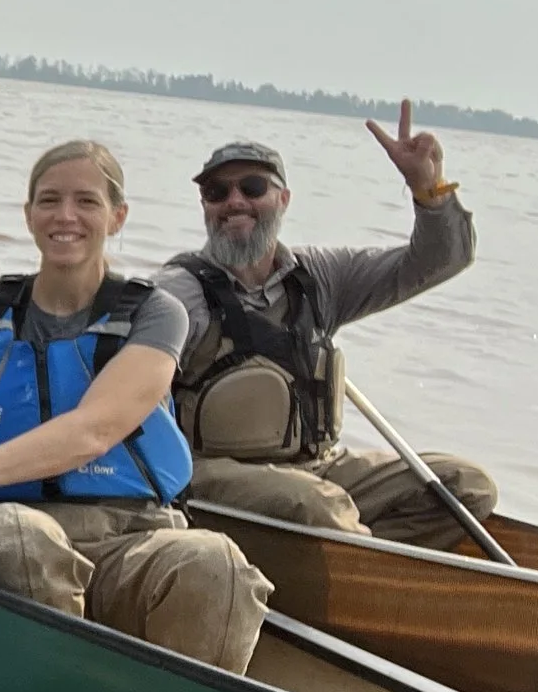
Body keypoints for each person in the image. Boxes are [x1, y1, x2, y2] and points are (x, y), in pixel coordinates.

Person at [0, 140, 272, 675]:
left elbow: (95, 429)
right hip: (7, 525)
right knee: (20, 538)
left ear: (117, 216)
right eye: (49, 200)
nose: (66, 216)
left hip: (134, 535)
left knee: (216, 563)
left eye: (86, 201)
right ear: (29, 215)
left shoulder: (157, 313)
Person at [153, 111, 494, 550]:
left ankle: (344, 568)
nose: (234, 201)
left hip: (316, 468)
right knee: (317, 505)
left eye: (252, 187)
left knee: (466, 486)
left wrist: (427, 190)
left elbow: (438, 262)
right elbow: (124, 386)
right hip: (209, 477)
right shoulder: (176, 293)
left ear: (284, 199)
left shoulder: (321, 277)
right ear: (205, 206)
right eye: (217, 192)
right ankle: (355, 569)